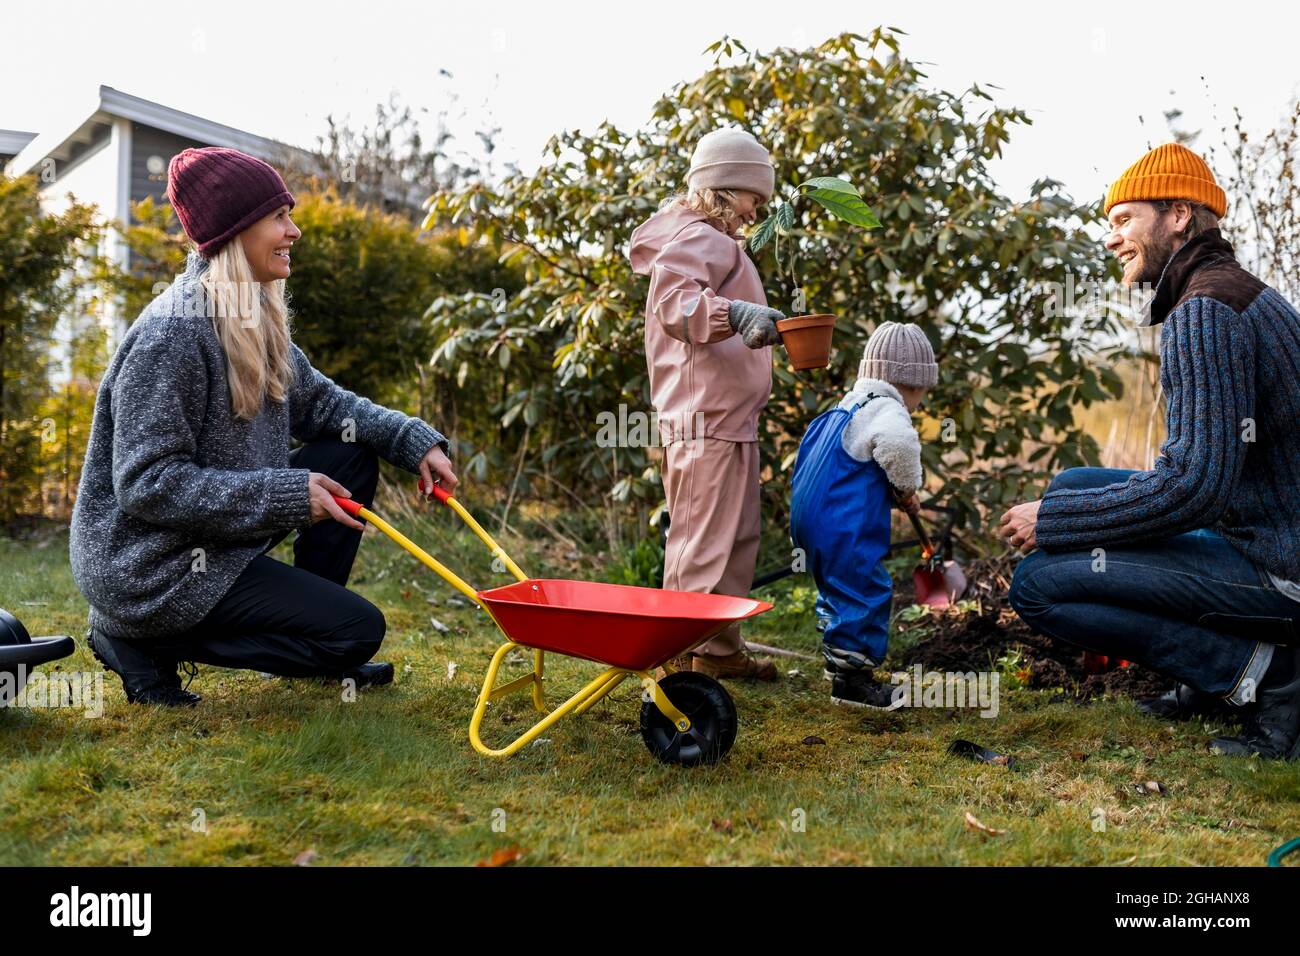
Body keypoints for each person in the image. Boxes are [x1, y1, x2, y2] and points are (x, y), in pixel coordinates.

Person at [70, 147, 458, 706]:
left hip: (206, 538)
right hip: (151, 567)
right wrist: (286, 495)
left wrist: (412, 441)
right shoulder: (171, 337)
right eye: (278, 217)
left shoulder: (252, 315)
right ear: (235, 231)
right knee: (356, 632)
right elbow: (146, 485)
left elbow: (325, 406)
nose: (293, 230)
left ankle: (314, 628)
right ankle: (133, 638)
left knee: (348, 457)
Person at [1001, 143, 1300, 760]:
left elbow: (1194, 488)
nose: (1111, 239)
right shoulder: (1234, 292)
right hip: (1264, 535)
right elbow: (1204, 475)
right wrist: (1067, 510)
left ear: (1179, 216)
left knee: (1038, 583)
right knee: (1071, 484)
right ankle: (1205, 679)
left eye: (1123, 220)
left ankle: (1271, 677)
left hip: (1283, 569)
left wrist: (1056, 524)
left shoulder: (1206, 313)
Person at [628, 127, 783, 681]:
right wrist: (736, 315)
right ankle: (673, 669)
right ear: (722, 187)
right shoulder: (698, 238)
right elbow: (675, 302)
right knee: (701, 548)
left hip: (728, 420)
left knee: (734, 543)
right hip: (705, 422)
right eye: (752, 198)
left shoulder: (716, 242)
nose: (756, 211)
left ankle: (716, 653)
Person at [790, 322, 935, 707]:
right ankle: (853, 683)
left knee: (837, 587)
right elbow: (899, 446)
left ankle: (838, 661)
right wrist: (906, 487)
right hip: (842, 525)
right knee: (865, 590)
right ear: (913, 385)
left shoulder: (849, 406)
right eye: (923, 392)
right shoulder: (889, 409)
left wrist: (889, 494)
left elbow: (851, 468)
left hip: (809, 519)